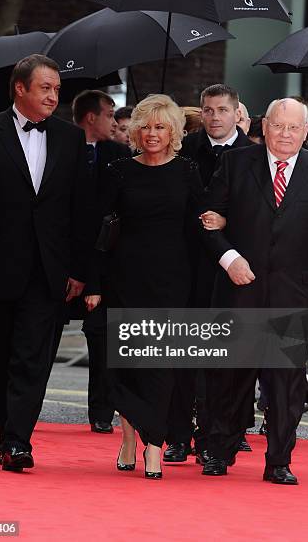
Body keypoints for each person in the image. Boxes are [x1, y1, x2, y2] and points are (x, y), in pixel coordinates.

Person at [0, 54, 97, 472]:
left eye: (57, 88)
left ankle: (17, 440)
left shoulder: (71, 138)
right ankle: (7, 431)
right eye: (46, 88)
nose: (54, 95)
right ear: (20, 88)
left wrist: (79, 269)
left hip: (49, 272)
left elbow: (80, 209)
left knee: (33, 357)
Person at [202, 97, 308, 484]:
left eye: (294, 128)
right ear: (264, 126)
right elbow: (207, 222)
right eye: (279, 126)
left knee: (285, 386)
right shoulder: (234, 164)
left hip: (294, 296)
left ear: (306, 130)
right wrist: (229, 258)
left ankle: (279, 461)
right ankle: (218, 451)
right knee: (229, 377)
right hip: (238, 290)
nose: (285, 135)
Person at [89, 93, 203, 479]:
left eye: (160, 127)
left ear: (173, 132)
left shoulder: (188, 171)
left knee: (161, 367)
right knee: (126, 365)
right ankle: (128, 439)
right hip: (124, 278)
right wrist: (94, 282)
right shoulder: (119, 170)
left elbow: (197, 227)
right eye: (146, 126)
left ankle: (154, 444)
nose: (152, 133)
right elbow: (99, 231)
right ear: (135, 130)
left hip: (173, 280)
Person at [165, 84, 253, 466]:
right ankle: (178, 436)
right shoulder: (183, 150)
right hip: (186, 265)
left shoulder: (256, 154)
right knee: (183, 355)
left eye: (221, 109)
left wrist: (227, 220)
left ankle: (214, 437)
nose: (214, 116)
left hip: (233, 268)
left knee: (223, 359)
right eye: (207, 109)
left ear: (237, 113)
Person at [60, 90, 131, 434]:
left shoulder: (118, 155)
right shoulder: (61, 148)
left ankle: (102, 411)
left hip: (104, 260)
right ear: (91, 117)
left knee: (102, 338)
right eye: (108, 115)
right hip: (61, 259)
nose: (114, 122)